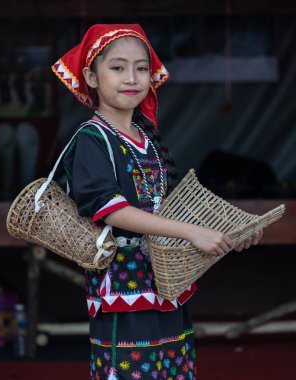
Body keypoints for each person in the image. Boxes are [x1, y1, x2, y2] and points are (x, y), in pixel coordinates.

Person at [52, 24, 262, 380]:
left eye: (141, 67)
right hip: (123, 288)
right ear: (91, 75)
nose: (131, 77)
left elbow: (163, 211)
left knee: (173, 369)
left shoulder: (146, 139)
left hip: (165, 284)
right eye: (117, 68)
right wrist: (193, 233)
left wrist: (226, 234)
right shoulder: (92, 138)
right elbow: (111, 209)